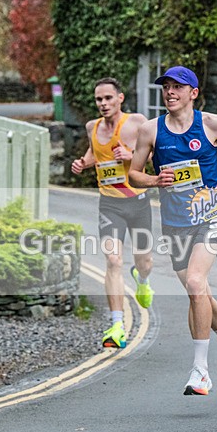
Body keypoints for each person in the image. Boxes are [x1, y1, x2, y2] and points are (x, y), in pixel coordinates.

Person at [128, 66, 217, 396]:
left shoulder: (212, 124)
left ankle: (200, 370)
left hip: (210, 214)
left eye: (177, 87)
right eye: (166, 87)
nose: (170, 92)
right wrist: (155, 180)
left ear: (193, 93)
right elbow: (133, 174)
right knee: (198, 293)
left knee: (197, 283)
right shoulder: (150, 130)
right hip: (174, 222)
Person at [71, 77, 155, 349]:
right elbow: (96, 152)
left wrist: (130, 155)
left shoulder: (136, 122)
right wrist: (84, 163)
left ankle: (142, 279)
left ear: (120, 98)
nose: (103, 104)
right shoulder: (91, 127)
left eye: (108, 98)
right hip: (109, 204)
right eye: (99, 99)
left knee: (145, 262)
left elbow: (153, 156)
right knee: (113, 260)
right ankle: (117, 324)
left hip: (138, 202)